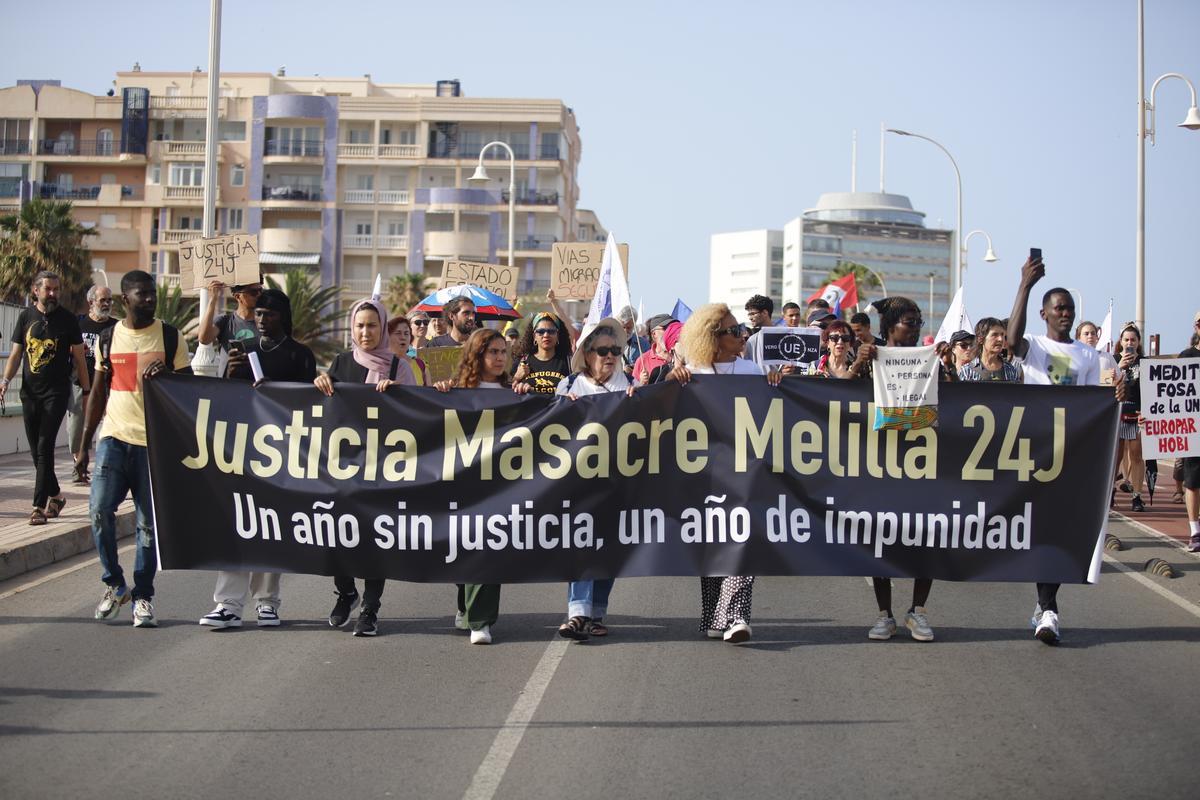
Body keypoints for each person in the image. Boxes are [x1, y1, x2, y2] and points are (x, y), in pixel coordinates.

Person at [199, 289, 316, 629]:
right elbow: (223, 399)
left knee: (270, 528)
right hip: (242, 452)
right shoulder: (242, 350)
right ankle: (228, 604)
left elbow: (310, 405)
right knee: (236, 526)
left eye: (270, 314)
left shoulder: (300, 355)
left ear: (284, 317)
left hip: (282, 455)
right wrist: (230, 373)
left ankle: (267, 602)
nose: (262, 320)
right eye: (259, 314)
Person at [1006, 253, 1108, 645]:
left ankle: (1046, 605)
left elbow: (1098, 402)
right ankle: (1046, 607)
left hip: (1071, 455)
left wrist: (1113, 393)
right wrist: (1025, 285)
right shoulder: (1033, 346)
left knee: (1057, 531)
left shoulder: (1089, 356)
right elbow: (1011, 342)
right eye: (1059, 308)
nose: (1066, 313)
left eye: (1070, 308)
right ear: (1044, 314)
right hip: (1033, 450)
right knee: (1035, 528)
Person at [79, 270, 191, 627]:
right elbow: (97, 393)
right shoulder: (109, 337)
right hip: (113, 438)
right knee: (99, 512)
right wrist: (83, 445)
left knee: (147, 526)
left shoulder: (171, 337)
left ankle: (142, 596)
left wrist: (169, 376)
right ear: (125, 300)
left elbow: (190, 393)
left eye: (153, 293)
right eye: (142, 294)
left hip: (154, 445)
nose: (150, 299)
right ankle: (114, 585)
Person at [667, 302, 781, 645]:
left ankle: (736, 615)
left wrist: (775, 382)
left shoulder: (751, 371)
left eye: (741, 330)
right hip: (703, 474)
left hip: (746, 474)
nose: (742, 335)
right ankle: (714, 616)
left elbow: (772, 411)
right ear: (713, 338)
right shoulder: (693, 372)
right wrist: (671, 380)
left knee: (744, 539)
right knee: (713, 542)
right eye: (734, 331)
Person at [314, 296, 400, 637]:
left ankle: (370, 609)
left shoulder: (397, 367)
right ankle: (346, 592)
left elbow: (419, 414)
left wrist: (399, 395)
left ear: (383, 328)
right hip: (345, 470)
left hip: (384, 470)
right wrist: (321, 384)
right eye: (360, 326)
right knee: (339, 535)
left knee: (374, 543)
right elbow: (327, 409)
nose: (366, 332)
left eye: (373, 325)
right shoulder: (340, 362)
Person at [555, 319, 635, 641]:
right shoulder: (571, 386)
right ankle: (578, 613)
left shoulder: (626, 385)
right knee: (581, 544)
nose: (610, 356)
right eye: (603, 351)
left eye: (616, 350)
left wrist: (640, 401)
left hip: (617, 481)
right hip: (579, 482)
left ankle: (596, 612)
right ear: (588, 354)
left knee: (609, 550)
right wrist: (563, 408)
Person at [864, 297, 937, 642]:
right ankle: (885, 615)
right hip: (881, 463)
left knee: (928, 536)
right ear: (889, 327)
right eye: (910, 322)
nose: (916, 328)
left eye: (919, 322)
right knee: (880, 540)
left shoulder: (931, 359)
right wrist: (857, 367)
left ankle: (918, 611)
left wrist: (946, 365)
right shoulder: (870, 358)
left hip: (923, 464)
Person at [435, 328, 512, 644]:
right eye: (492, 351)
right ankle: (466, 606)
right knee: (461, 549)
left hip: (499, 485)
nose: (499, 357)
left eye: (503, 351)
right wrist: (436, 393)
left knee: (488, 547)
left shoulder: (513, 392)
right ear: (476, 355)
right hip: (462, 482)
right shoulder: (456, 391)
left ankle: (481, 621)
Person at [1, 271, 89, 526]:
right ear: (35, 290)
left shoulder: (68, 320)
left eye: (56, 289)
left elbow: (80, 358)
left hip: (57, 393)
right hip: (29, 393)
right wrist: (5, 382)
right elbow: (16, 355)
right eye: (48, 289)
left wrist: (86, 391)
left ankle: (38, 506)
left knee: (44, 447)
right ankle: (57, 496)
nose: (53, 294)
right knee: (36, 452)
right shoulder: (25, 317)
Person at [67, 284, 116, 485]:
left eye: (109, 300)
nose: (107, 304)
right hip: (80, 384)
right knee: (77, 428)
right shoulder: (78, 325)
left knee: (109, 428)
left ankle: (106, 469)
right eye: (102, 300)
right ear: (90, 302)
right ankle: (79, 464)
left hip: (108, 384)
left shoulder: (116, 327)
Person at [1115, 324, 1147, 512]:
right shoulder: (1113, 360)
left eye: (1133, 340)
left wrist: (1146, 412)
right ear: (1121, 342)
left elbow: (1152, 390)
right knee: (1116, 457)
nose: (1129, 343)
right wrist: (1120, 367)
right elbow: (1106, 386)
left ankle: (1137, 496)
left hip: (1137, 414)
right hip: (1117, 415)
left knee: (1136, 455)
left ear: (1138, 342)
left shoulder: (1145, 363)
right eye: (1126, 339)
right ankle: (1110, 492)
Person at [511, 311, 572, 395]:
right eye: (541, 331)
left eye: (551, 331)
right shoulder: (522, 361)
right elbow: (507, 393)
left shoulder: (569, 362)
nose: (546, 335)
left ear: (558, 335)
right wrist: (516, 378)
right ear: (534, 336)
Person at [1179, 312, 1200, 552]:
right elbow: (1167, 393)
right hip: (1192, 428)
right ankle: (1195, 530)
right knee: (1193, 481)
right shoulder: (1187, 356)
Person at [198, 279, 262, 354]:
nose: (259, 295)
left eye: (261, 290)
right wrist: (213, 299)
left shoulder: (265, 323)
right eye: (253, 292)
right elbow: (204, 339)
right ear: (238, 296)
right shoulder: (224, 321)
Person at [959, 318, 1023, 382]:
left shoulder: (1010, 370)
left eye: (1002, 335)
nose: (1000, 339)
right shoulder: (967, 371)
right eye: (994, 335)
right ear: (980, 339)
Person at [383, 315, 429, 386]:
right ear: (387, 337)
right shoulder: (380, 365)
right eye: (398, 333)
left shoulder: (421, 364)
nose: (403, 337)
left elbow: (430, 394)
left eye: (406, 333)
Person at [631, 313, 675, 385]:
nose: (670, 331)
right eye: (666, 328)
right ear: (654, 334)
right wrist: (641, 383)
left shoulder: (681, 357)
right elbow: (633, 392)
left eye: (672, 327)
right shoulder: (642, 360)